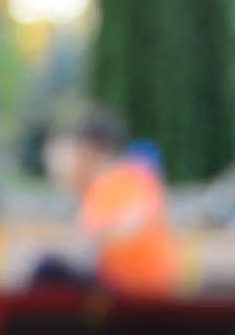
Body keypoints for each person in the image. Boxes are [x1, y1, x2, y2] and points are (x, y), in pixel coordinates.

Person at [41, 108, 180, 297]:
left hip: (138, 289)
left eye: (72, 151)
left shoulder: (129, 178)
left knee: (46, 270)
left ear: (89, 151)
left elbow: (138, 220)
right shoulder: (99, 188)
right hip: (119, 286)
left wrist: (97, 238)